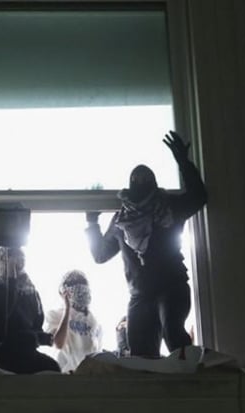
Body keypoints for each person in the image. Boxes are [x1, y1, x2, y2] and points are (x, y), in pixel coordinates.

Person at [84, 130, 207, 358]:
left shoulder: (168, 207)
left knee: (174, 336)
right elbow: (100, 255)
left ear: (154, 183)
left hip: (172, 287)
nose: (139, 182)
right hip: (139, 294)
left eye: (145, 179)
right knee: (140, 352)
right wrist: (91, 222)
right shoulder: (121, 220)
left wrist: (183, 161)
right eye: (135, 179)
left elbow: (199, 196)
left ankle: (192, 384)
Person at [0, 246, 61, 374]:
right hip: (3, 353)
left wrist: (44, 337)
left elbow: (35, 327)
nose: (18, 264)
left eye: (21, 260)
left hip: (27, 351)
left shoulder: (30, 291)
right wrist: (11, 281)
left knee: (54, 369)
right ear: (2, 261)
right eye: (13, 260)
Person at [44, 270, 102, 372]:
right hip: (66, 376)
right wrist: (67, 309)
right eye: (78, 290)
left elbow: (96, 353)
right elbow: (58, 343)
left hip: (88, 377)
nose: (83, 294)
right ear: (66, 292)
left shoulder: (94, 322)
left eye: (85, 291)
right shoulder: (55, 315)